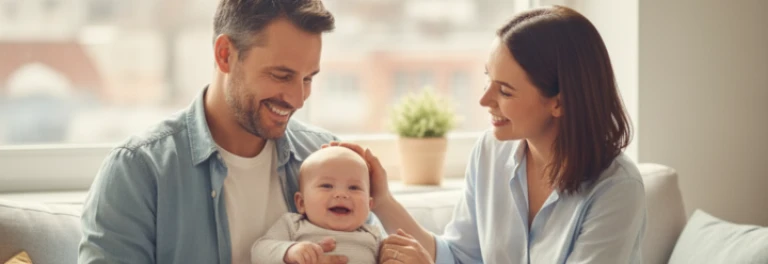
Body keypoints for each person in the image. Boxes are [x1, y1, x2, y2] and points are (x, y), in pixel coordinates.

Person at [329, 5, 646, 264]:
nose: (484, 101)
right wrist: (381, 200)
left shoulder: (617, 189)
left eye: (505, 91)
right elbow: (458, 256)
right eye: (488, 80)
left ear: (559, 102)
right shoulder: (490, 152)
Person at [78, 1, 350, 263]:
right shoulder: (138, 171)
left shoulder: (326, 157)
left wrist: (383, 204)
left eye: (307, 79)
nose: (298, 99)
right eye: (281, 75)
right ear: (225, 55)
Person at [252, 146, 380, 264]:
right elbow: (259, 251)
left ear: (369, 205)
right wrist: (290, 251)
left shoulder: (374, 236)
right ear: (301, 203)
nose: (341, 194)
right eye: (327, 185)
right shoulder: (293, 225)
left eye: (354, 187)